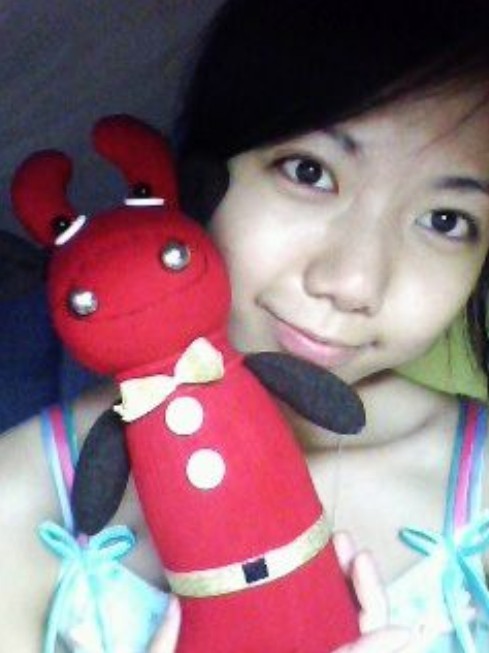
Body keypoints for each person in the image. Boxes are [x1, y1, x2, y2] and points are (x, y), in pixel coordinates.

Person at [1, 0, 488, 651]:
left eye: (445, 220)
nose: (353, 281)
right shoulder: (22, 501)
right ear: (200, 177)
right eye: (310, 172)